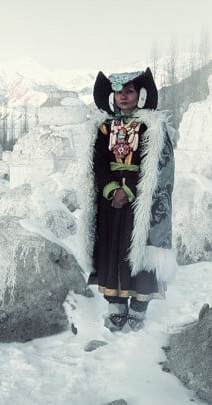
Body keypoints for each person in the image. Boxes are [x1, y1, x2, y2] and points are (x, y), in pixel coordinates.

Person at [78, 68, 176, 332]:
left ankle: (139, 305)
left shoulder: (152, 128)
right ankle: (116, 304)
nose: (123, 96)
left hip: (140, 199)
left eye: (129, 91)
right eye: (119, 91)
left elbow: (156, 167)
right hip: (110, 201)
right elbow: (97, 162)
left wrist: (129, 190)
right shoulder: (104, 128)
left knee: (140, 250)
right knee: (112, 248)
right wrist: (112, 189)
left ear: (140, 94)